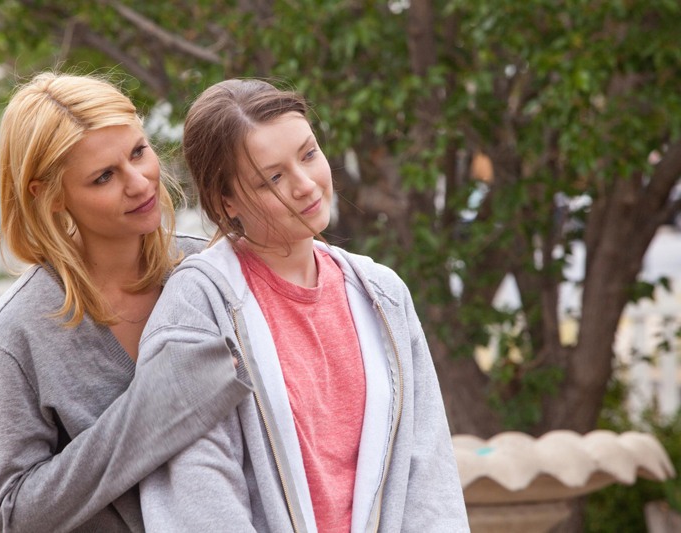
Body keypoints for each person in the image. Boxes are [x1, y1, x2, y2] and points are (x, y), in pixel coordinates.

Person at [138, 78, 469, 532]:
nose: (305, 184)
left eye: (309, 154)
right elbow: (199, 493)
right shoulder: (199, 307)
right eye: (272, 178)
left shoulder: (383, 295)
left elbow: (428, 474)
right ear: (225, 201)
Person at [0, 72, 251, 533]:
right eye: (104, 176)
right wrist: (154, 410)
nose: (139, 183)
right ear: (49, 196)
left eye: (138, 152)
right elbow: (13, 515)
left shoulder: (211, 273)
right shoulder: (17, 331)